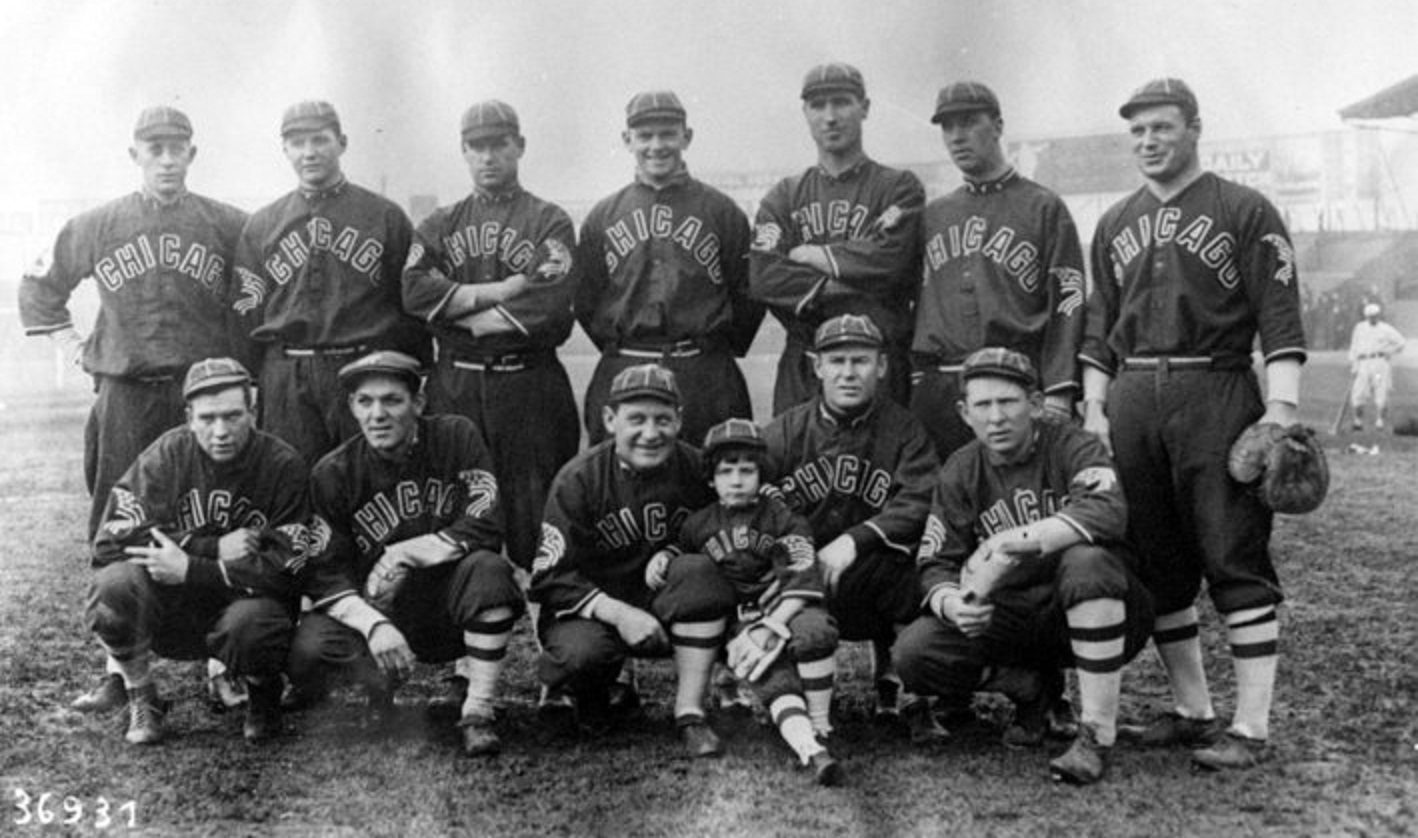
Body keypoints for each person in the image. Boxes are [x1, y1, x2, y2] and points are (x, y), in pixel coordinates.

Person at [1081, 78, 1308, 770]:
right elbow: (1100, 324)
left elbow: (1279, 318)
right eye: (1138, 132)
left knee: (1233, 554)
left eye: (1162, 128)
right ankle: (1192, 711)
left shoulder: (1244, 208)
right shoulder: (1116, 220)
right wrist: (1094, 403)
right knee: (1159, 564)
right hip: (1133, 394)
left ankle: (1251, 727)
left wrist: (1281, 411)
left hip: (1216, 385)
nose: (1148, 142)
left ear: (1194, 129)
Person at [893, 348, 1153, 784]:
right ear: (964, 413)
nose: (995, 417)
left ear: (1034, 404)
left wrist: (1010, 543)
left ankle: (1096, 733)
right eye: (983, 405)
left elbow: (1107, 510)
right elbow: (936, 561)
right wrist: (955, 603)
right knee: (915, 653)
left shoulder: (1072, 442)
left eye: (1007, 402)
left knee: (1087, 562)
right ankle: (1028, 686)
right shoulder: (960, 469)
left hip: (1092, 605)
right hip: (1011, 616)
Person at [18, 106, 249, 540]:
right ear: (134, 154)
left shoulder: (228, 224)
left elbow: (260, 294)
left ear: (191, 154)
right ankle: (116, 599)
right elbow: (38, 288)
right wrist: (76, 348)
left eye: (176, 149)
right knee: (118, 508)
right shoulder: (98, 224)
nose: (166, 159)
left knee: (206, 504)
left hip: (199, 390)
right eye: (155, 149)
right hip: (126, 392)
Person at [289, 351, 524, 756]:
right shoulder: (332, 473)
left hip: (449, 606)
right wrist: (374, 625)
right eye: (365, 402)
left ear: (418, 402)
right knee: (309, 646)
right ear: (351, 407)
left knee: (489, 570)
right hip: (382, 610)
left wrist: (406, 552)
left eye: (392, 400)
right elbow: (325, 573)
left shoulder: (456, 437)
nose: (377, 414)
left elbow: (486, 522)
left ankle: (478, 711)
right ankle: (378, 696)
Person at [83, 357, 309, 745]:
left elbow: (292, 565)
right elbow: (113, 534)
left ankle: (262, 694)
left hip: (242, 607)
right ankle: (142, 694)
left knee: (256, 625)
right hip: (173, 610)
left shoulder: (282, 465)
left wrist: (195, 568)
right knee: (114, 586)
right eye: (207, 418)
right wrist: (210, 547)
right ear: (189, 417)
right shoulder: (167, 455)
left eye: (232, 416)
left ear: (253, 413)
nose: (220, 430)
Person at [402, 100, 579, 571]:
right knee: (457, 496)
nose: (488, 157)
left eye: (498, 144)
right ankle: (471, 608)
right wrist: (499, 290)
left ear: (518, 146)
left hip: (528, 382)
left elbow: (547, 301)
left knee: (535, 505)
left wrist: (461, 311)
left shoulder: (549, 220)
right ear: (463, 151)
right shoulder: (439, 222)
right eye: (476, 147)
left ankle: (546, 607)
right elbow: (414, 291)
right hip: (456, 383)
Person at [529, 364, 738, 757]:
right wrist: (620, 614)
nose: (650, 433)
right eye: (636, 419)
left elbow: (733, 536)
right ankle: (590, 691)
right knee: (580, 657)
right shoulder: (578, 479)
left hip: (668, 601)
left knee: (702, 572)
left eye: (663, 419)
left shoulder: (700, 471)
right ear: (610, 420)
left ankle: (690, 712)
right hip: (596, 612)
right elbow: (550, 577)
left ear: (679, 420)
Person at [762, 314, 938, 729]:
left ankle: (902, 686)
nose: (847, 373)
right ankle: (778, 684)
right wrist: (798, 553)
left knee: (917, 574)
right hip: (807, 578)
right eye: (836, 361)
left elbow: (922, 497)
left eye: (860, 360)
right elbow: (755, 501)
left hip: (876, 571)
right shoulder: (784, 432)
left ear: (881, 366)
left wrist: (859, 539)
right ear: (817, 366)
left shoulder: (905, 429)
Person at [646, 418, 842, 785]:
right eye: (726, 471)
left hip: (789, 606)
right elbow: (684, 549)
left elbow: (802, 576)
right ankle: (808, 745)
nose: (736, 479)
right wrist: (665, 555)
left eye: (747, 470)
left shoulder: (783, 517)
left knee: (815, 631)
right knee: (773, 679)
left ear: (762, 474)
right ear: (711, 478)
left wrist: (773, 625)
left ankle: (820, 723)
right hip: (738, 621)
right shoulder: (701, 522)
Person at [232, 100, 428, 465]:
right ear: (285, 149)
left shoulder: (384, 215)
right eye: (297, 143)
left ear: (342, 142)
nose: (309, 153)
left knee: (369, 480)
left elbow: (410, 304)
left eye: (320, 140)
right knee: (291, 481)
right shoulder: (263, 224)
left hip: (362, 369)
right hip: (288, 373)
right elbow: (246, 311)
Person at [575, 91, 762, 448]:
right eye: (645, 136)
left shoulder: (722, 212)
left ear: (686, 137)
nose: (656, 146)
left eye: (667, 134)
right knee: (620, 485)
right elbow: (587, 300)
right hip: (625, 365)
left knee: (713, 484)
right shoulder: (604, 215)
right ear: (627, 140)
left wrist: (714, 350)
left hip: (703, 371)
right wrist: (621, 346)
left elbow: (748, 295)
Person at [911, 82, 1085, 460]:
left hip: (1014, 379)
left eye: (969, 122)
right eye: (948, 126)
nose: (957, 136)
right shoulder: (934, 215)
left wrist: (1059, 388)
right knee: (945, 501)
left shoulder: (1042, 207)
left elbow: (1068, 301)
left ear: (999, 125)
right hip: (943, 385)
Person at [749, 63, 924, 415]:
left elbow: (890, 263)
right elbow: (764, 277)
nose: (830, 117)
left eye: (841, 102)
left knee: (883, 465)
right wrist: (855, 282)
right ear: (805, 113)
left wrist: (814, 256)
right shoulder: (784, 196)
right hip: (805, 363)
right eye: (818, 105)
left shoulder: (898, 187)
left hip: (877, 363)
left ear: (865, 107)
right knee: (797, 466)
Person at [1347, 302, 1406, 431]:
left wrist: (1390, 351)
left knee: (1381, 390)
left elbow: (1401, 342)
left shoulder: (1386, 329)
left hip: (1379, 363)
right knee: (1359, 392)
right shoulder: (1359, 328)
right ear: (1366, 316)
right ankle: (1358, 421)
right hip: (1363, 363)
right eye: (1370, 316)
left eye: (1375, 316)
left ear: (1378, 315)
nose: (1373, 318)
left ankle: (1380, 421)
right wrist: (1353, 364)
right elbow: (1354, 347)